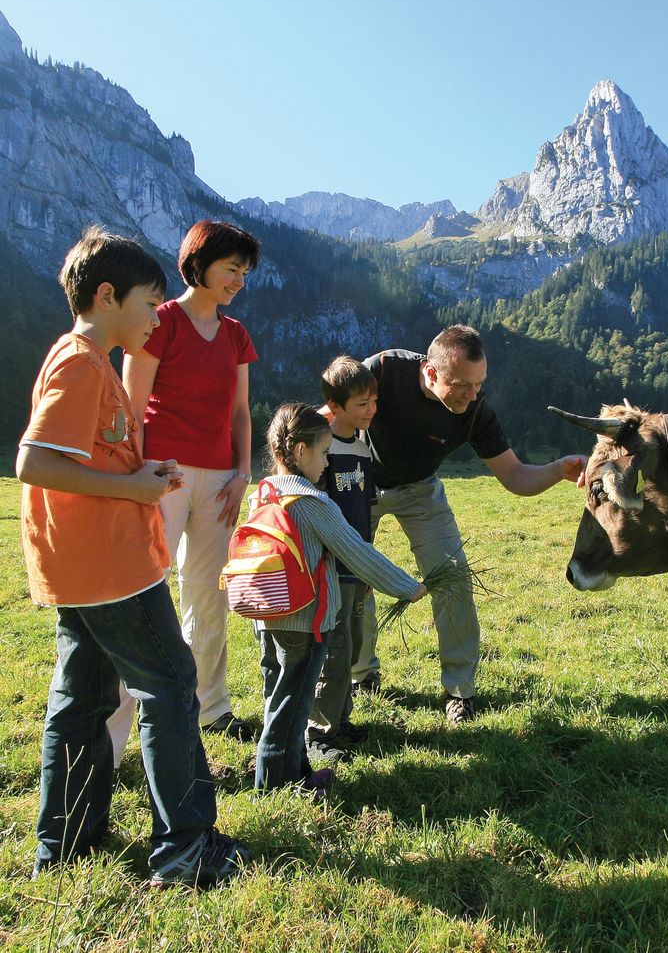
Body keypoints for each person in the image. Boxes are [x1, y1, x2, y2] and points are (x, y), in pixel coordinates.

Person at [17, 226, 246, 887]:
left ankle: (65, 846)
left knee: (83, 697)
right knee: (171, 682)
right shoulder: (81, 362)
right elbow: (35, 460)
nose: (156, 315)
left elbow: (86, 452)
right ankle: (186, 851)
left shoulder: (85, 361)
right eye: (149, 304)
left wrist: (141, 469)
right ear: (108, 296)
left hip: (81, 568)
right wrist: (130, 487)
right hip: (111, 567)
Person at [351, 325, 587, 723]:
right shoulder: (384, 371)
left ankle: (460, 690)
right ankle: (361, 675)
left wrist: (557, 469)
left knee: (453, 578)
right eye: (462, 384)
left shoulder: (476, 411)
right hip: (359, 484)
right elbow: (333, 412)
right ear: (430, 373)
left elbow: (515, 477)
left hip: (420, 490)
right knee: (351, 581)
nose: (472, 395)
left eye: (479, 385)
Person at [107, 221, 260, 761]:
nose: (238, 279)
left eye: (244, 271)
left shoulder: (237, 333)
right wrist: (137, 476)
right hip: (161, 474)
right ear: (199, 264)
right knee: (143, 596)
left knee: (210, 594)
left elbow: (240, 413)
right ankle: (115, 738)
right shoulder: (161, 322)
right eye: (230, 268)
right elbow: (132, 405)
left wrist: (242, 472)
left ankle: (211, 706)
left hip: (220, 481)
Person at [254, 403, 426, 792]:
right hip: (305, 622)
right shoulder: (314, 504)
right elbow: (358, 553)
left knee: (277, 697)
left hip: (267, 617)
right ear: (300, 452)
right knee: (294, 704)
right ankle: (275, 784)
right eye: (325, 453)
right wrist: (407, 587)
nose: (328, 464)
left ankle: (294, 770)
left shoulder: (262, 495)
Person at [306, 356, 378, 764]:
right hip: (328, 566)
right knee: (332, 649)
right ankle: (318, 732)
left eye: (373, 400)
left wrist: (366, 563)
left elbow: (365, 506)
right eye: (361, 403)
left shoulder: (364, 441)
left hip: (356, 563)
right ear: (333, 407)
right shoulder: (323, 444)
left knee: (351, 642)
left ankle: (340, 717)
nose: (370, 410)